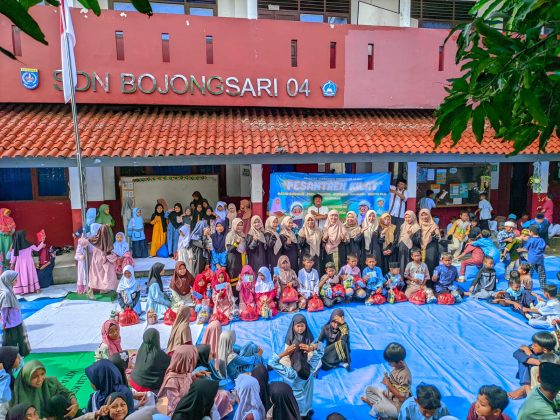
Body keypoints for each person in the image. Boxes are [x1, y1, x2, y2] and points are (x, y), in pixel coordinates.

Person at [268, 341, 324, 419]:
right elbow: (321, 348)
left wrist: (285, 353)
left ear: (291, 358)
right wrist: (312, 347)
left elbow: (271, 362)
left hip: (295, 406)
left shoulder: (289, 373)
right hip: (307, 403)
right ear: (306, 356)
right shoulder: (311, 367)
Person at [12, 360, 78, 418]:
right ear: (26, 377)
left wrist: (75, 404)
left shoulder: (51, 382)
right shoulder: (18, 394)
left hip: (57, 416)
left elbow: (68, 394)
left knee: (57, 400)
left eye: (42, 374)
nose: (40, 379)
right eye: (35, 377)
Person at [362, 342, 411, 419]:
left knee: (378, 408)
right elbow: (395, 385)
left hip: (398, 407)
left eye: (390, 362)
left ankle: (381, 412)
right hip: (389, 398)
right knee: (369, 390)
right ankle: (380, 407)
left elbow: (402, 398)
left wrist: (388, 384)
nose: (388, 364)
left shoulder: (405, 375)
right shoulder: (399, 363)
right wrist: (388, 382)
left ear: (400, 362)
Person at [508, 331, 557, 399]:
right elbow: (517, 353)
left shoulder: (554, 357)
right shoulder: (535, 348)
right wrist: (533, 360)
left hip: (544, 383)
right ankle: (526, 388)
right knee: (524, 360)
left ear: (545, 350)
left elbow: (544, 363)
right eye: (532, 343)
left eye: (535, 345)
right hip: (533, 379)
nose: (532, 346)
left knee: (526, 361)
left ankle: (527, 391)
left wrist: (529, 353)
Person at [0, 271, 30, 356]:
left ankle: (18, 354)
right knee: (11, 340)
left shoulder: (9, 290)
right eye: (15, 280)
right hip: (11, 323)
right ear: (8, 280)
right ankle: (11, 356)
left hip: (15, 320)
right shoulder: (6, 293)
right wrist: (4, 323)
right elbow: (4, 310)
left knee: (17, 338)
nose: (17, 281)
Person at [10, 230, 45, 295]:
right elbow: (37, 249)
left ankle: (23, 290)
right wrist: (42, 242)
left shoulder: (15, 247)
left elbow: (13, 256)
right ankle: (35, 289)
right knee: (31, 275)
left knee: (21, 277)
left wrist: (12, 264)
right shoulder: (29, 245)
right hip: (29, 263)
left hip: (19, 264)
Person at [88, 225, 118, 293]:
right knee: (102, 275)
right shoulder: (107, 240)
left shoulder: (94, 239)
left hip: (95, 260)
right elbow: (107, 252)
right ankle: (101, 289)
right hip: (102, 260)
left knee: (95, 274)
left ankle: (93, 288)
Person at [397, 211, 421, 276]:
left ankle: (409, 279)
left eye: (409, 217)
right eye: (406, 217)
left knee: (409, 265)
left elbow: (418, 241)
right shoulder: (402, 226)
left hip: (410, 250)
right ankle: (401, 278)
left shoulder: (416, 227)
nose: (407, 219)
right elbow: (399, 237)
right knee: (401, 264)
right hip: (401, 250)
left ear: (413, 217)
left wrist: (411, 235)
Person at [418, 209, 441, 276]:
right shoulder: (418, 225)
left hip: (430, 247)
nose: (424, 217)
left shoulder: (434, 225)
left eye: (426, 215)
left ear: (429, 215)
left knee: (430, 264)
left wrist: (432, 236)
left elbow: (438, 237)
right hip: (420, 247)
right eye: (422, 215)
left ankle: (429, 280)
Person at [226, 218, 247, 290]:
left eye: (241, 225)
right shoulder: (230, 235)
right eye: (238, 225)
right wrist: (237, 243)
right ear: (234, 225)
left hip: (242, 258)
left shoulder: (243, 235)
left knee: (243, 276)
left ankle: (242, 294)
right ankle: (234, 294)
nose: (239, 227)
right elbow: (229, 249)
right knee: (234, 277)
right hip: (234, 260)